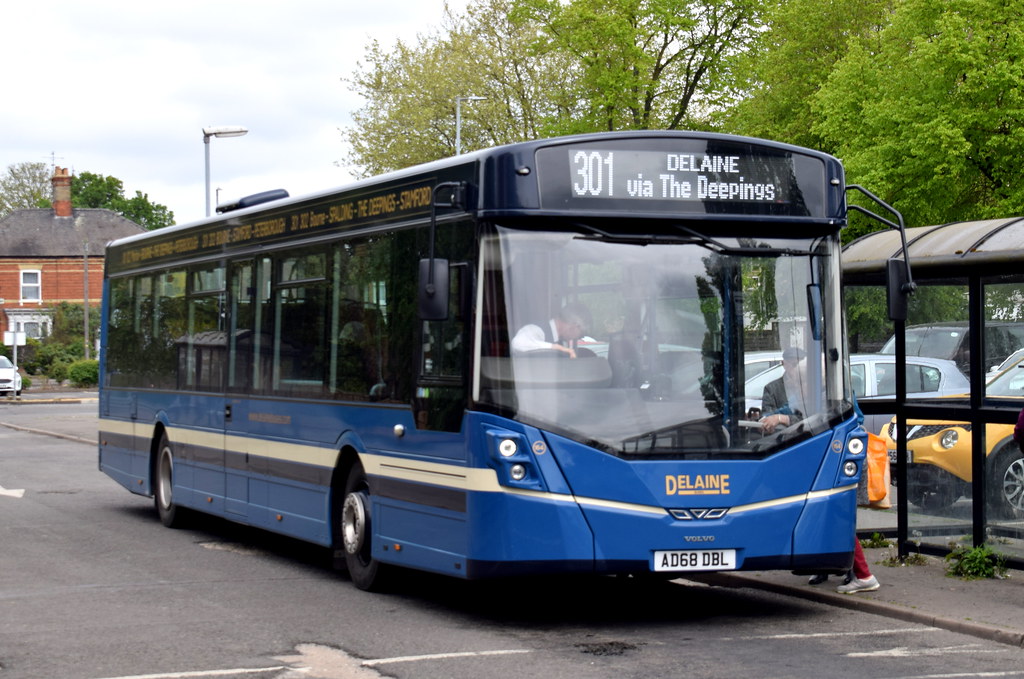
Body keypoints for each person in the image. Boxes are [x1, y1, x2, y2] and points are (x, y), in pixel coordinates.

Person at [510, 302, 591, 359]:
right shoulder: (535, 329)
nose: (578, 337)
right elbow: (518, 343)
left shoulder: (562, 342)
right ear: (575, 326)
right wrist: (556, 348)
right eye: (581, 333)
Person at [760, 347, 807, 433]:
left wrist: (782, 418)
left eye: (801, 365)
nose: (798, 369)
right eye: (794, 365)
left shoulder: (813, 388)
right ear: (783, 364)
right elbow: (768, 419)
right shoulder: (771, 388)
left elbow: (811, 419)